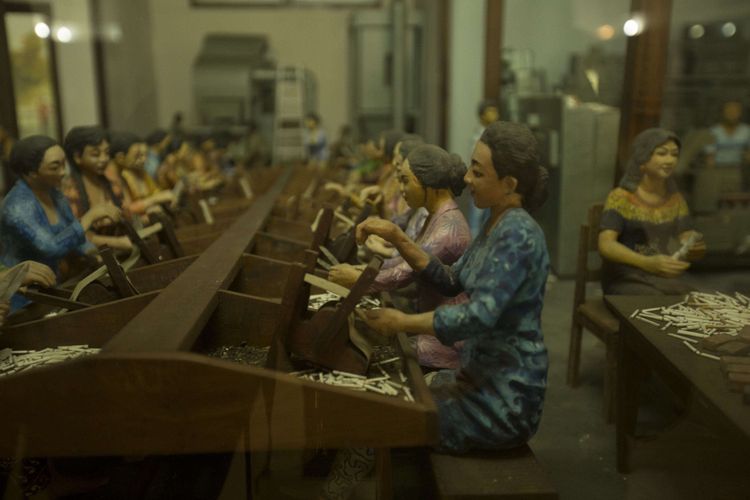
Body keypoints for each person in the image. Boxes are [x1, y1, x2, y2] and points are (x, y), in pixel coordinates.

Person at [320, 122, 550, 499]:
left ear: (509, 183)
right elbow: (448, 278)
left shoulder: (518, 236)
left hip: (502, 398)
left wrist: (402, 322)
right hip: (473, 379)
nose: (467, 178)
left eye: (477, 171)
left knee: (377, 415)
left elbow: (478, 316)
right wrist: (397, 237)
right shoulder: (497, 223)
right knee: (384, 397)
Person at [329, 144, 471, 369]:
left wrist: (360, 280)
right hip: (427, 321)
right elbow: (404, 261)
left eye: (406, 180)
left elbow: (403, 275)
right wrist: (362, 272)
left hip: (446, 341)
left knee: (379, 358)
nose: (401, 189)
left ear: (429, 183)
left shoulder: (449, 230)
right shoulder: (435, 217)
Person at [0, 136, 120, 311]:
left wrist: (96, 256)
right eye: (55, 167)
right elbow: (50, 247)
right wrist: (88, 218)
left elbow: (73, 235)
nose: (64, 172)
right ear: (31, 172)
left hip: (50, 287)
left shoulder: (55, 194)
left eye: (64, 164)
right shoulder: (17, 206)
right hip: (20, 297)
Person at [599, 128, 706, 295]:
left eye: (674, 154)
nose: (670, 160)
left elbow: (686, 235)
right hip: (625, 277)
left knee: (694, 300)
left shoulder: (675, 199)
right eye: (662, 153)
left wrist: (692, 247)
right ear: (643, 158)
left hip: (660, 276)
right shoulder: (621, 197)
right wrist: (646, 262)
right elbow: (606, 244)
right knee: (656, 302)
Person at [62, 126, 131, 251]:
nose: (104, 159)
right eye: (96, 154)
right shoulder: (69, 191)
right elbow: (72, 236)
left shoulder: (111, 184)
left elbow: (126, 215)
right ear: (77, 157)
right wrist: (116, 242)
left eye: (106, 153)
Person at [109, 131, 175, 217]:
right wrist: (154, 200)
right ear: (120, 158)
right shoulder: (124, 174)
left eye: (145, 155)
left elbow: (155, 191)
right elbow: (128, 209)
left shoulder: (138, 172)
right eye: (137, 156)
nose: (144, 159)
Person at [467, 100, 499, 238]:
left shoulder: (495, 134)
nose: (494, 114)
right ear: (481, 115)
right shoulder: (479, 135)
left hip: (491, 179)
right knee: (476, 214)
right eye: (490, 111)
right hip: (480, 178)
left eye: (495, 111)